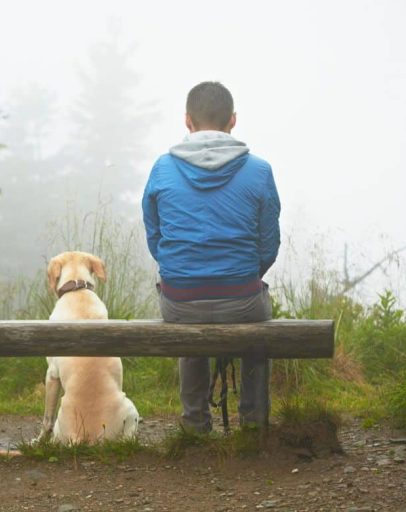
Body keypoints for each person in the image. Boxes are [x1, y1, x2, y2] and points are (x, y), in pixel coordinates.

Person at [141, 81, 281, 432]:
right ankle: (253, 423)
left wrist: (183, 271)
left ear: (187, 121)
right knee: (257, 325)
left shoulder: (162, 169)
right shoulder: (259, 171)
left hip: (180, 301)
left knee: (188, 315)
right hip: (243, 301)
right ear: (233, 120)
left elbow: (155, 236)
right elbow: (269, 244)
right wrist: (242, 275)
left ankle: (194, 425)